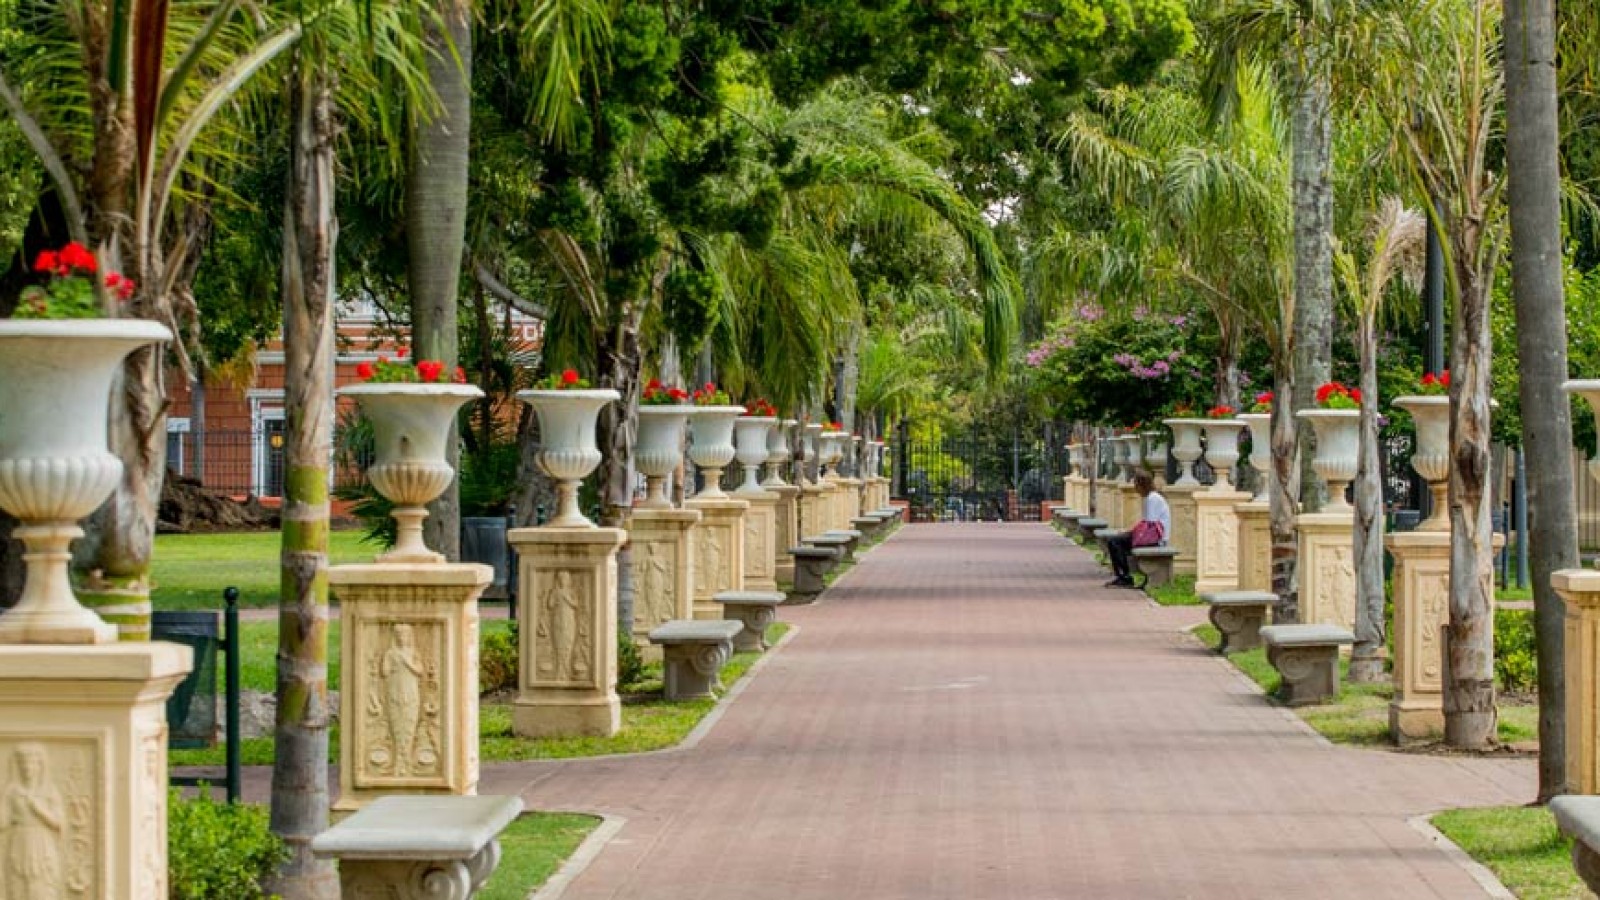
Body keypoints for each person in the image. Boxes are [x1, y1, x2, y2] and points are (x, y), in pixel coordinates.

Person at [1106, 471, 1170, 588]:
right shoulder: (1148, 498)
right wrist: (1129, 531)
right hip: (1149, 535)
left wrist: (1129, 532)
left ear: (1142, 485)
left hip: (1156, 538)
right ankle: (1123, 575)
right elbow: (1146, 524)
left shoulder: (1153, 499)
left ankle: (1125, 577)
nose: (1135, 488)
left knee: (1114, 542)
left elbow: (1149, 525)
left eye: (1136, 484)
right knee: (1116, 541)